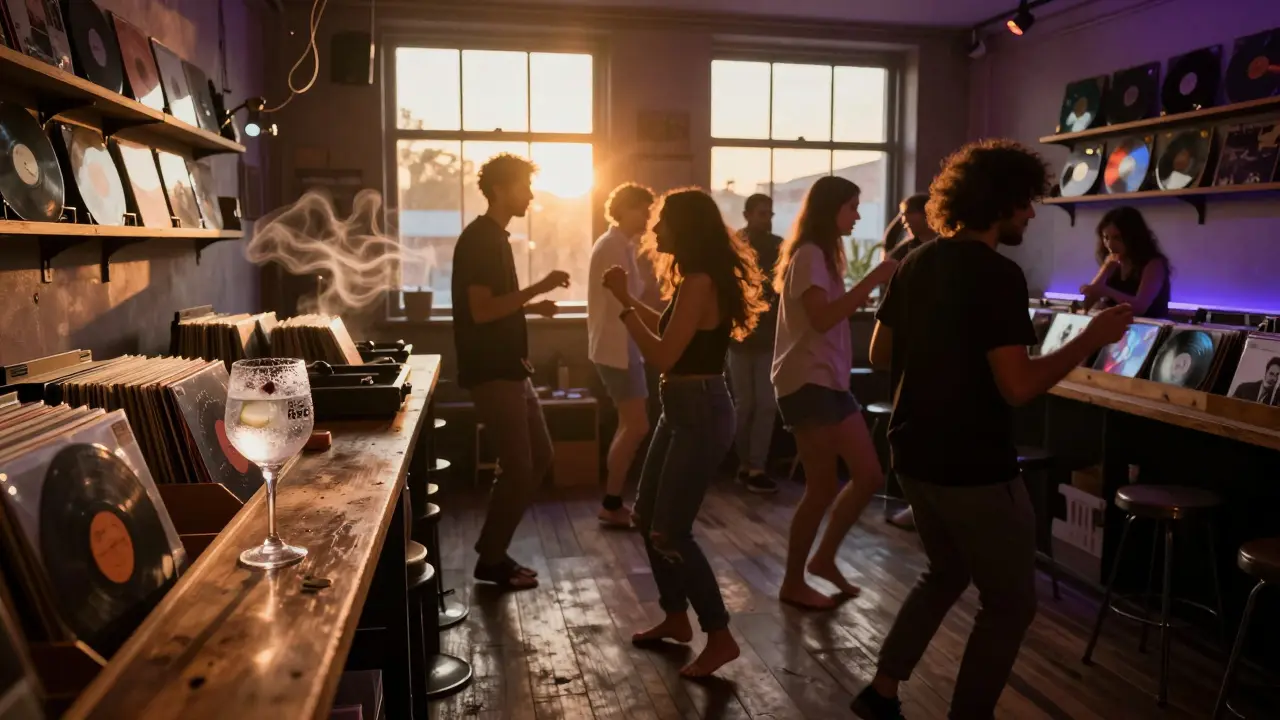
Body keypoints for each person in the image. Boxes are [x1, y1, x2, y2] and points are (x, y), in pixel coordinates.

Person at [853, 139, 1132, 720]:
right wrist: (1091, 338)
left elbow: (882, 354)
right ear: (1000, 202)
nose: (1031, 214)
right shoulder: (999, 276)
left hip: (914, 452)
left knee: (945, 572)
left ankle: (880, 693)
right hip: (972, 463)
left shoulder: (916, 260)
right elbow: (1018, 387)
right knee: (1009, 605)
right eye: (1026, 202)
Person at [601, 188, 767, 678]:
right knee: (647, 516)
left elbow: (662, 355)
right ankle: (676, 618)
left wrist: (624, 308)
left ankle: (719, 636)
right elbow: (673, 336)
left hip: (700, 408)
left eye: (663, 222)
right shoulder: (693, 281)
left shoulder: (699, 281)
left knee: (671, 529)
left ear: (686, 228)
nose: (654, 231)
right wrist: (628, 299)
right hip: (683, 407)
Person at [771, 176, 899, 610]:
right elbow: (822, 319)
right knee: (823, 488)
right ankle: (793, 580)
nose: (858, 215)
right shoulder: (809, 255)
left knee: (868, 476)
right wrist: (875, 279)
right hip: (807, 382)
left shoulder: (821, 256)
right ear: (832, 211)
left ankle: (822, 559)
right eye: (852, 207)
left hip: (826, 382)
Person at [451, 153, 569, 591]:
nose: (531, 195)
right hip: (493, 372)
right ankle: (492, 558)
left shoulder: (495, 238)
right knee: (520, 467)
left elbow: (492, 304)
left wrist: (531, 305)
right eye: (524, 187)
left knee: (539, 457)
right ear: (501, 189)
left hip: (511, 369)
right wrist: (538, 288)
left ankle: (492, 551)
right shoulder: (482, 239)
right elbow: (481, 312)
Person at [589, 183, 656, 528]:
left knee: (629, 424)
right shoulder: (614, 245)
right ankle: (612, 502)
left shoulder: (621, 244)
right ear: (623, 210)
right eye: (641, 210)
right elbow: (624, 301)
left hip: (621, 347)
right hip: (618, 348)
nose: (646, 216)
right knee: (637, 424)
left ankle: (613, 501)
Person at [728, 193, 781, 494]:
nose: (767, 219)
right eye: (762, 213)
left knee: (762, 404)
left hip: (763, 335)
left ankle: (753, 465)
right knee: (747, 404)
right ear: (748, 214)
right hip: (742, 335)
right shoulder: (735, 245)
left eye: (769, 214)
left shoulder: (776, 245)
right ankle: (745, 464)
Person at [1079, 206, 1172, 318]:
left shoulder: (1154, 264)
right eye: (1106, 238)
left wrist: (1107, 291)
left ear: (1133, 237)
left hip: (1148, 330)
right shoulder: (1111, 262)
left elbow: (1139, 307)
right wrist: (1106, 269)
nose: (1110, 245)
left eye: (1117, 238)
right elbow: (1088, 303)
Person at [886, 193, 935, 262]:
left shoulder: (946, 245)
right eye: (902, 215)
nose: (904, 220)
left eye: (909, 212)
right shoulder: (904, 250)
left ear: (926, 213)